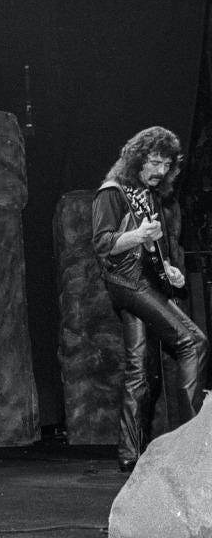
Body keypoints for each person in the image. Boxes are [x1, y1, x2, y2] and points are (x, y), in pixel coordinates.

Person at [91, 126, 207, 473]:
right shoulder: (112, 192)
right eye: (153, 161)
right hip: (129, 284)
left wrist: (169, 270)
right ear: (137, 159)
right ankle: (192, 442)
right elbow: (103, 244)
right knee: (193, 341)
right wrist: (137, 235)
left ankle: (130, 454)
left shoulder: (148, 195)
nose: (159, 170)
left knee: (139, 370)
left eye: (166, 164)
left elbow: (150, 251)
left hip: (145, 282)